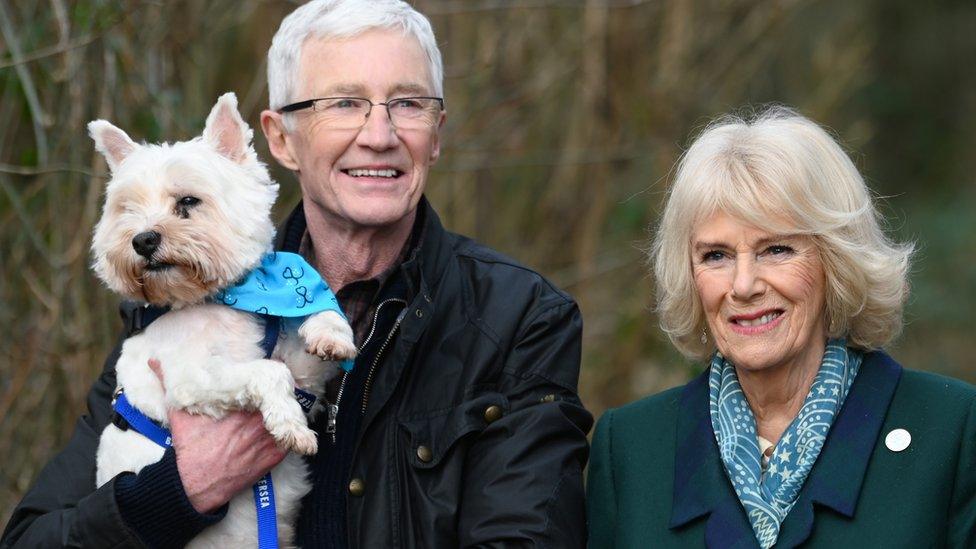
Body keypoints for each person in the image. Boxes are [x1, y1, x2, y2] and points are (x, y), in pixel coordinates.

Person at [1, 1, 593, 547]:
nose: (380, 135)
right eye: (344, 103)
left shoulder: (517, 318)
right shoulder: (171, 307)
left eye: (408, 104)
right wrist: (179, 492)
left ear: (436, 134)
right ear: (281, 139)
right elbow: (32, 538)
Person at [586, 107, 976, 548]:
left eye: (776, 249)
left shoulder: (955, 430)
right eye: (716, 255)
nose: (743, 284)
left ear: (836, 261)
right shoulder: (631, 448)